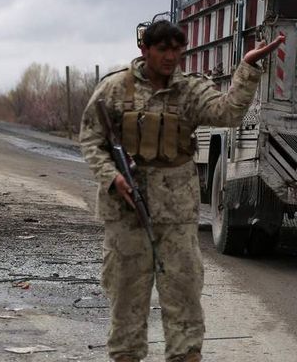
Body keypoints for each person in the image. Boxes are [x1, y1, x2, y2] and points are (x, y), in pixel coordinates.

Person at [79, 20, 285, 362]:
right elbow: (90, 138)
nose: (171, 57)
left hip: (177, 214)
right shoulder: (115, 89)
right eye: (163, 49)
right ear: (145, 50)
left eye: (177, 49)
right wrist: (111, 177)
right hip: (127, 213)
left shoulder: (190, 90)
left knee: (184, 297)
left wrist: (248, 67)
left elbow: (228, 112)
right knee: (127, 297)